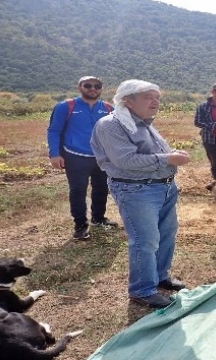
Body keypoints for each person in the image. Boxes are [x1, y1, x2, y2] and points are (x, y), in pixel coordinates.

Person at [90, 79, 190, 309]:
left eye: (157, 97)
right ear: (128, 100)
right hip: (136, 190)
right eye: (148, 97)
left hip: (162, 187)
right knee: (145, 240)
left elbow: (150, 154)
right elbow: (125, 160)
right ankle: (142, 290)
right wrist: (168, 159)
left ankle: (159, 276)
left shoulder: (142, 123)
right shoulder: (111, 125)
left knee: (166, 233)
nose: (155, 102)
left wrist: (171, 153)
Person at [46, 76, 117, 240]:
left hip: (101, 157)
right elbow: (54, 130)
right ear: (80, 87)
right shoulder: (66, 106)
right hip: (75, 156)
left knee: (101, 189)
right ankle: (80, 226)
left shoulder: (108, 108)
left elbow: (115, 132)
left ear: (101, 89)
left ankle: (98, 218)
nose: (93, 88)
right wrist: (54, 154)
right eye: (88, 85)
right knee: (78, 190)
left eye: (97, 86)